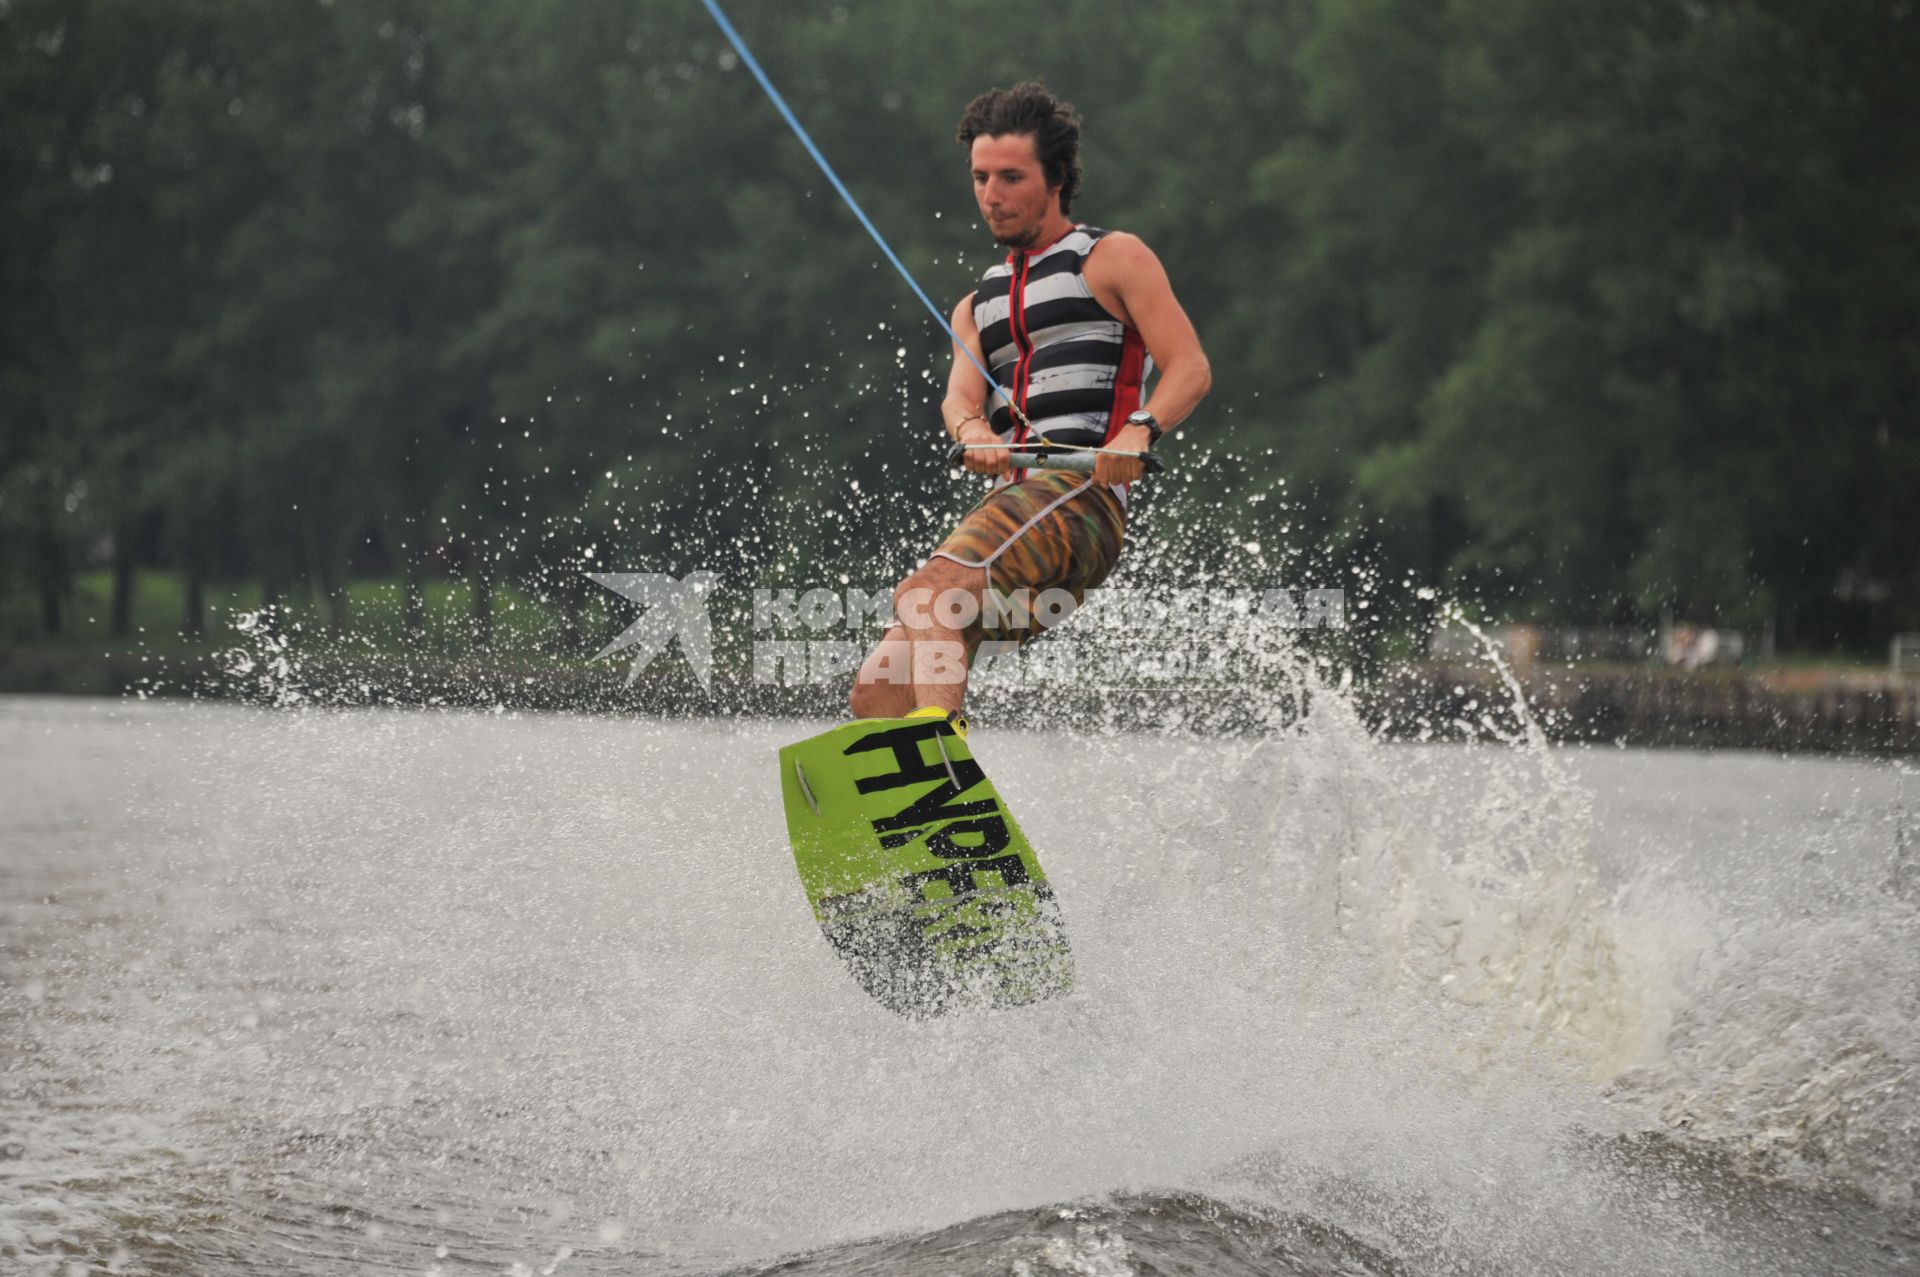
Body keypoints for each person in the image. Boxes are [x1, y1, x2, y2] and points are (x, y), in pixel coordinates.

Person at [849, 81, 1211, 724]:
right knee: (880, 687)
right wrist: (972, 432)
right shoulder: (977, 304)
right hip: (1016, 522)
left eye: (1011, 177)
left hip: (1081, 506)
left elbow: (1189, 367)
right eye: (981, 177)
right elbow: (958, 401)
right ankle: (909, 816)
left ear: (1055, 180)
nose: (992, 194)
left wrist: (1139, 431)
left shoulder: (1111, 259)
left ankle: (943, 762)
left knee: (931, 598)